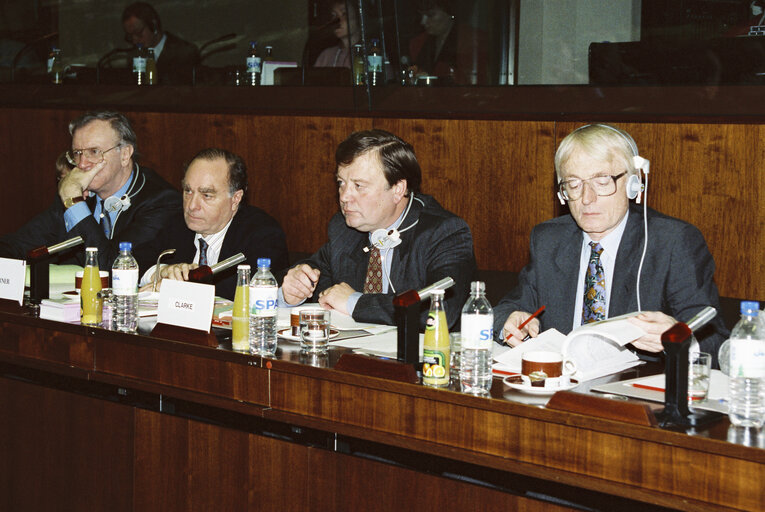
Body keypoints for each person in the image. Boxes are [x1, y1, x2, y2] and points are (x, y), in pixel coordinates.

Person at [493, 124, 728, 365]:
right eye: (574, 184)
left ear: (633, 184)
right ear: (562, 193)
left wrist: (678, 338)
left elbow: (715, 339)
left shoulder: (672, 241)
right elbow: (511, 306)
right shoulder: (549, 239)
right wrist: (510, 320)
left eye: (602, 181)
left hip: (633, 394)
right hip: (558, 388)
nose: (587, 198)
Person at [281, 129, 476, 329]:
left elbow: (438, 311)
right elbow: (317, 278)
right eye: (341, 183)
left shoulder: (444, 233)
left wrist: (354, 302)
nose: (344, 196)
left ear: (398, 189)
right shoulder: (344, 228)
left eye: (359, 185)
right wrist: (294, 289)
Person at [0, 110, 181, 269]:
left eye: (94, 152)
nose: (82, 164)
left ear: (125, 154)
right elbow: (19, 244)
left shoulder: (161, 202)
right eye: (77, 153)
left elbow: (110, 268)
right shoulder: (80, 194)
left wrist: (75, 203)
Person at [135, 148, 289, 300]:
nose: (192, 206)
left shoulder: (263, 234)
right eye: (188, 191)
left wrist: (175, 288)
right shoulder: (177, 224)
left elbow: (241, 293)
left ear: (235, 199)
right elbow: (134, 261)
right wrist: (163, 271)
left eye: (206, 195)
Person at [408, 0, 487, 85]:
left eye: (430, 15)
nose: (423, 22)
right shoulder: (418, 43)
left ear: (450, 12)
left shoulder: (473, 40)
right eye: (421, 15)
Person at [122, 2, 199, 85]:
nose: (135, 40)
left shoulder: (184, 52)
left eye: (138, 33)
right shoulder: (134, 55)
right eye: (130, 36)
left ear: (153, 25)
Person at [313, 1, 361, 68]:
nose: (337, 20)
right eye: (334, 15)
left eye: (344, 14)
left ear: (358, 18)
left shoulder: (367, 54)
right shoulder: (326, 56)